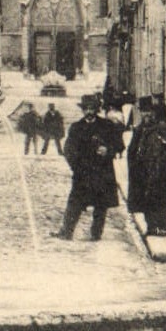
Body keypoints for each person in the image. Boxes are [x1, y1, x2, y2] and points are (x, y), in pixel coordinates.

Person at [53, 93, 124, 241]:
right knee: (74, 203)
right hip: (82, 173)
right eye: (86, 109)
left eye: (92, 109)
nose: (89, 112)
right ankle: (66, 232)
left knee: (101, 205)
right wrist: (76, 167)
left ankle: (96, 234)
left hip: (102, 173)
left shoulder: (107, 126)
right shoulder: (76, 128)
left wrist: (108, 150)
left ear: (97, 109)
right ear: (82, 110)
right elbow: (68, 150)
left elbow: (119, 145)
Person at [126, 95, 166, 237]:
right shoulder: (139, 130)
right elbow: (131, 149)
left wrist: (164, 161)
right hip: (142, 169)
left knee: (160, 198)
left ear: (153, 112)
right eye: (144, 111)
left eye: (149, 111)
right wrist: (133, 167)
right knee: (145, 199)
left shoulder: (163, 128)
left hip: (158, 168)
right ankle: (151, 227)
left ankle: (163, 227)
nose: (147, 114)